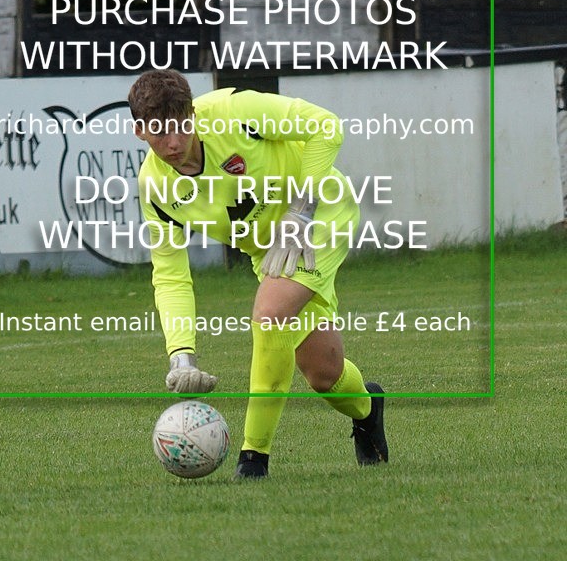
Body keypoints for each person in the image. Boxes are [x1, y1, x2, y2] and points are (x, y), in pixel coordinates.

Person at [128, 69, 388, 478]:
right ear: (139, 131)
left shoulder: (234, 111)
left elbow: (326, 126)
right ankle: (368, 409)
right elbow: (170, 273)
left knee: (269, 314)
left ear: (193, 113)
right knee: (323, 373)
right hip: (268, 252)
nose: (174, 142)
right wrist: (181, 355)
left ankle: (254, 459)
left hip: (319, 216)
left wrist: (300, 211)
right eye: (160, 132)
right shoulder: (155, 188)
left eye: (181, 125)